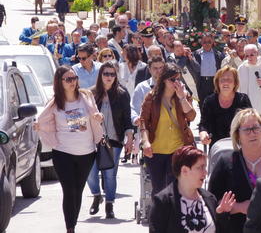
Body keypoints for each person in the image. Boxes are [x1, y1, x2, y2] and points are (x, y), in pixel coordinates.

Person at [34, 65, 104, 233]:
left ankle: (73, 223)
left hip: (86, 153)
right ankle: (70, 228)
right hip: (63, 152)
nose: (73, 82)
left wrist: (98, 117)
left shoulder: (86, 96)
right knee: (69, 190)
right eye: (68, 79)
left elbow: (96, 114)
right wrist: (39, 126)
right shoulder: (54, 103)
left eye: (74, 78)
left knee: (78, 190)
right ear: (60, 82)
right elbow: (43, 120)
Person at [208, 108, 261, 233]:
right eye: (247, 129)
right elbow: (211, 201)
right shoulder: (225, 162)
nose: (252, 133)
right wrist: (240, 207)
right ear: (237, 135)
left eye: (256, 128)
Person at [139, 63, 196, 195]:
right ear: (164, 79)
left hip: (177, 149)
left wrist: (182, 97)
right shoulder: (152, 97)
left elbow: (191, 116)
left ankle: (172, 215)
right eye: (172, 79)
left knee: (174, 188)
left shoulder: (183, 96)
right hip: (156, 150)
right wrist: (145, 142)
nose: (176, 82)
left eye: (178, 79)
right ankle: (159, 215)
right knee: (158, 189)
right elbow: (143, 122)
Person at [149, 145, 236, 233]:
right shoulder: (163, 202)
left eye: (205, 167)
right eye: (200, 167)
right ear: (184, 170)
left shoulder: (210, 199)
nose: (205, 172)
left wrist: (221, 214)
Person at [87, 62, 134, 218]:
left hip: (114, 140)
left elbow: (127, 119)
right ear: (100, 75)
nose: (109, 77)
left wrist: (129, 138)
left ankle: (109, 204)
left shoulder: (122, 94)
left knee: (109, 174)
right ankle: (96, 195)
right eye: (106, 74)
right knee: (90, 173)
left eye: (112, 74)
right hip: (93, 140)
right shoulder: (90, 94)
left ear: (116, 76)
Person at [199, 66, 252, 146]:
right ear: (218, 82)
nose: (225, 82)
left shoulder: (243, 99)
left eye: (229, 80)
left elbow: (251, 122)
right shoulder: (210, 101)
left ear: (235, 83)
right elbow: (204, 124)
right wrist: (203, 133)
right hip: (217, 148)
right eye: (222, 80)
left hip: (239, 146)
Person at [193, 33, 225, 106]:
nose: (207, 44)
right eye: (204, 42)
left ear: (213, 41)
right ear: (201, 42)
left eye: (209, 42)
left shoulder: (218, 54)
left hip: (214, 82)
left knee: (215, 103)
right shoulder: (196, 54)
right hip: (201, 82)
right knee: (202, 103)